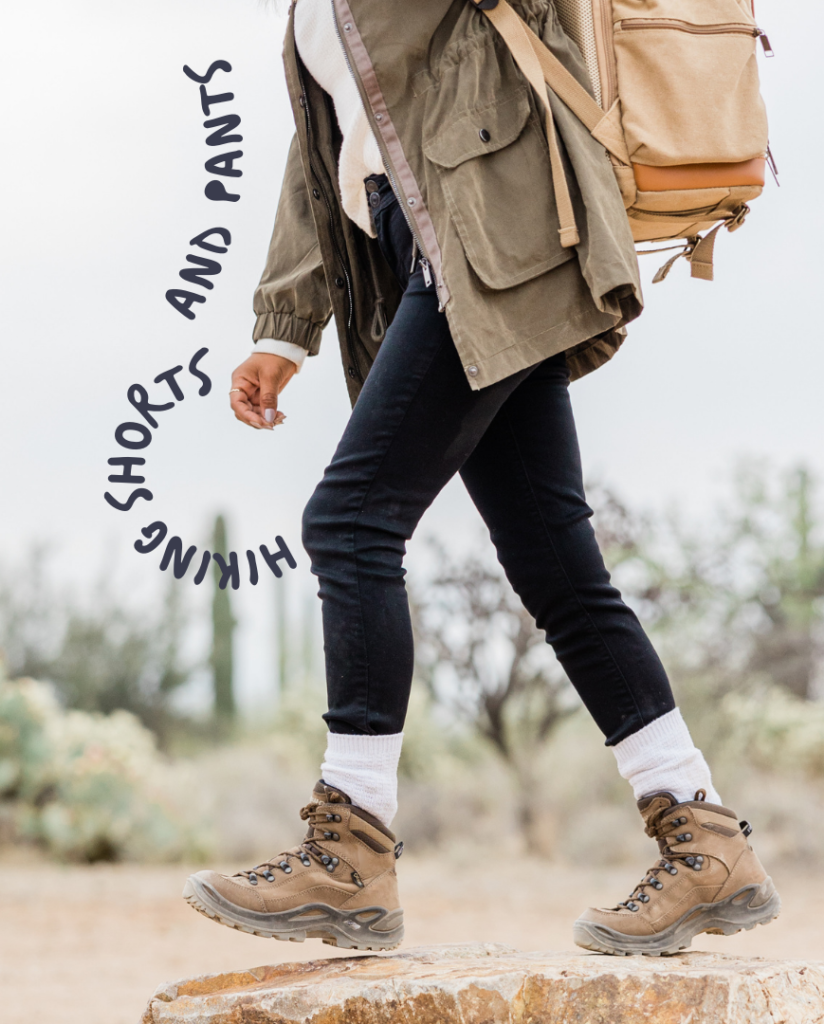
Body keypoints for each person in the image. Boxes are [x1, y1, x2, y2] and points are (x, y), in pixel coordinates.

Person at [182, 0, 781, 955]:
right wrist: (281, 329)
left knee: (351, 521)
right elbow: (324, 154)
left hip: (496, 236)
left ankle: (350, 856)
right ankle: (704, 835)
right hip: (427, 246)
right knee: (558, 568)